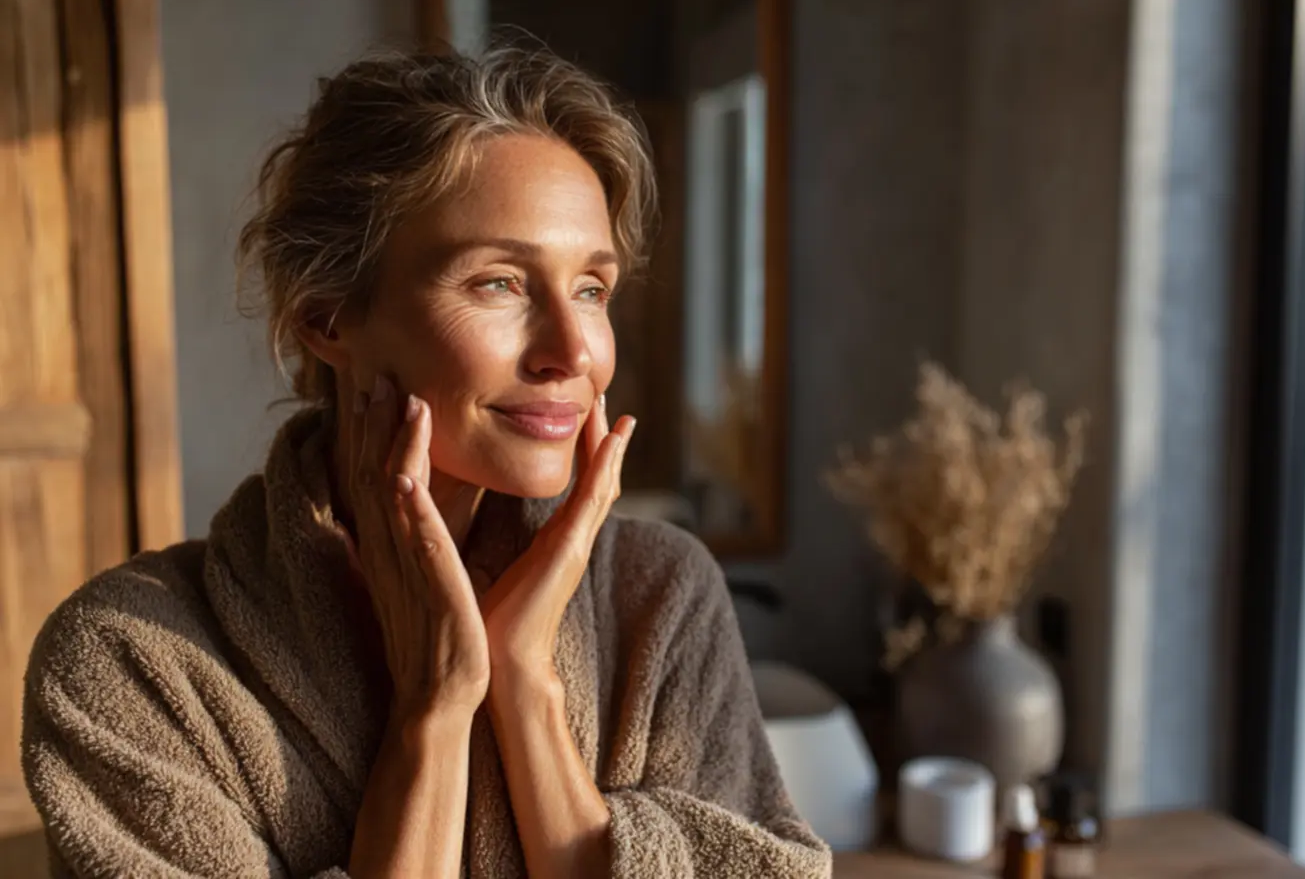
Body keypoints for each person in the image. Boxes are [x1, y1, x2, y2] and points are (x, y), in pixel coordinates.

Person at [20, 45, 831, 878]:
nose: (573, 351)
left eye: (592, 288)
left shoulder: (662, 597)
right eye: (499, 284)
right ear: (328, 318)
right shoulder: (134, 662)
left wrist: (525, 684)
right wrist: (434, 709)